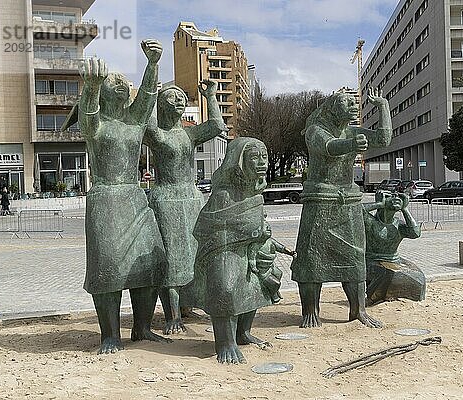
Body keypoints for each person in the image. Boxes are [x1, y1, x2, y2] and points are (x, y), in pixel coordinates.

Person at [77, 40, 169, 354]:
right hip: (105, 200)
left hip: (135, 200)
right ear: (101, 92)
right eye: (112, 81)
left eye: (122, 82)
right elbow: (87, 117)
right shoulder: (97, 125)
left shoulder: (134, 122)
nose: (120, 84)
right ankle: (110, 335)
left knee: (153, 262)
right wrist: (90, 87)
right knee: (108, 268)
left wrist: (153, 64)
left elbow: (146, 97)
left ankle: (142, 328)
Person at [291, 88, 392, 329]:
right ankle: (310, 311)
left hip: (348, 202)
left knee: (356, 258)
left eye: (354, 103)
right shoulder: (316, 130)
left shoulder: (353, 131)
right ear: (331, 108)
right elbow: (328, 147)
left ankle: (358, 311)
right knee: (311, 260)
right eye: (346, 103)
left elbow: (383, 139)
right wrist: (350, 144)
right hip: (320, 201)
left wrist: (383, 106)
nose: (353, 106)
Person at [144, 81, 226, 335]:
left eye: (182, 97)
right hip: (165, 199)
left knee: (195, 254)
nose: (179, 101)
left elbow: (217, 126)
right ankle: (172, 314)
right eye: (172, 97)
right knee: (171, 258)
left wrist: (211, 96)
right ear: (160, 104)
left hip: (191, 198)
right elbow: (144, 121)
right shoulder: (157, 135)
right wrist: (151, 76)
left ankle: (191, 303)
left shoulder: (189, 134)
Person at [186, 137, 276, 364]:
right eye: (254, 157)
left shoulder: (255, 193)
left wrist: (261, 232)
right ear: (239, 162)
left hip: (250, 250)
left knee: (256, 286)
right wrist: (254, 232)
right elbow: (205, 226)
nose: (261, 162)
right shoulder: (223, 194)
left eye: (264, 157)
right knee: (225, 288)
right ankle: (225, 342)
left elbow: (256, 224)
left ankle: (242, 333)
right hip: (222, 251)